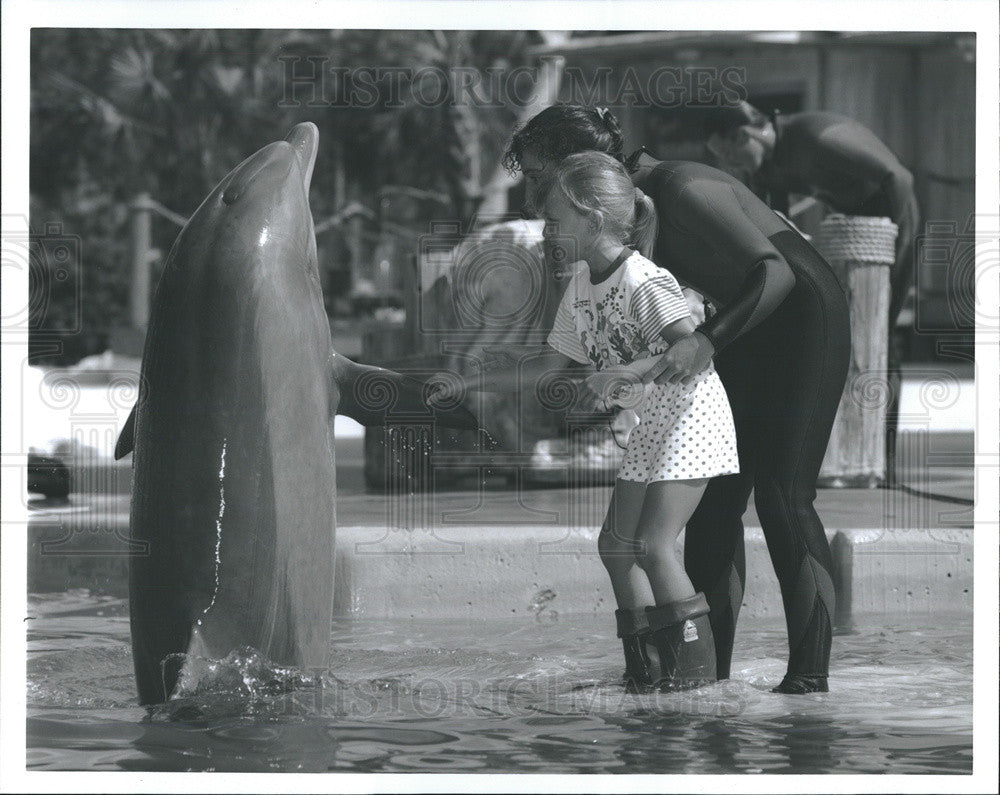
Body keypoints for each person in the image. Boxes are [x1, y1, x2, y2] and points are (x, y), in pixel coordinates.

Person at [504, 104, 851, 694]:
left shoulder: (681, 185)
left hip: (804, 323)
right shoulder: (619, 224)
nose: (536, 196)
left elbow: (778, 272)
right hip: (738, 333)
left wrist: (706, 342)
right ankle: (704, 676)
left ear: (576, 170)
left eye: (540, 177)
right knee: (717, 505)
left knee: (782, 497)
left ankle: (807, 681)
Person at [435, 150, 740, 692]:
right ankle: (644, 668)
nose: (546, 231)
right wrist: (469, 383)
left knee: (653, 545)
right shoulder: (581, 287)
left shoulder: (644, 280)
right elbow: (549, 369)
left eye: (554, 219)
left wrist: (627, 372)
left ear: (593, 217)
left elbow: (694, 352)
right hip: (655, 423)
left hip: (694, 415)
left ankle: (695, 680)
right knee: (615, 546)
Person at [702, 102, 920, 485]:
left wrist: (895, 247)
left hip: (889, 233)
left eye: (730, 154)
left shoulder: (812, 135)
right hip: (847, 239)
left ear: (745, 135)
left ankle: (881, 460)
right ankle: (836, 452)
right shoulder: (767, 170)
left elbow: (898, 178)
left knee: (881, 339)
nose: (733, 165)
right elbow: (777, 228)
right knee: (839, 341)